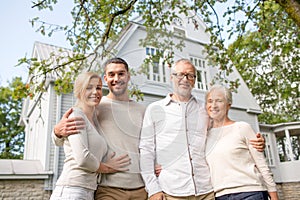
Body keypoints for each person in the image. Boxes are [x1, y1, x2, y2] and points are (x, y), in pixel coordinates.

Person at [139, 58, 265, 200]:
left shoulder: (205, 110)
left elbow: (224, 132)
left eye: (190, 75)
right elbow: (146, 149)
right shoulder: (155, 110)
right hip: (172, 191)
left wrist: (254, 141)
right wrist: (153, 188)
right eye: (180, 74)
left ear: (194, 80)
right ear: (172, 77)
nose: (185, 79)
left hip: (207, 191)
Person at [52, 58, 148, 200]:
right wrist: (56, 133)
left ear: (128, 76)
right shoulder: (94, 106)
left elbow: (150, 145)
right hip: (107, 188)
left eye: (121, 74)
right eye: (111, 74)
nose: (116, 78)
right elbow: (69, 137)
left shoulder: (142, 110)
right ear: (106, 78)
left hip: (140, 188)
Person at [205, 85, 279, 200]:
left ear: (228, 105)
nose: (213, 105)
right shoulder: (205, 136)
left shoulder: (242, 128)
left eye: (219, 101)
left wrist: (274, 196)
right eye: (210, 101)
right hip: (221, 195)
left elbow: (262, 165)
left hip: (250, 192)